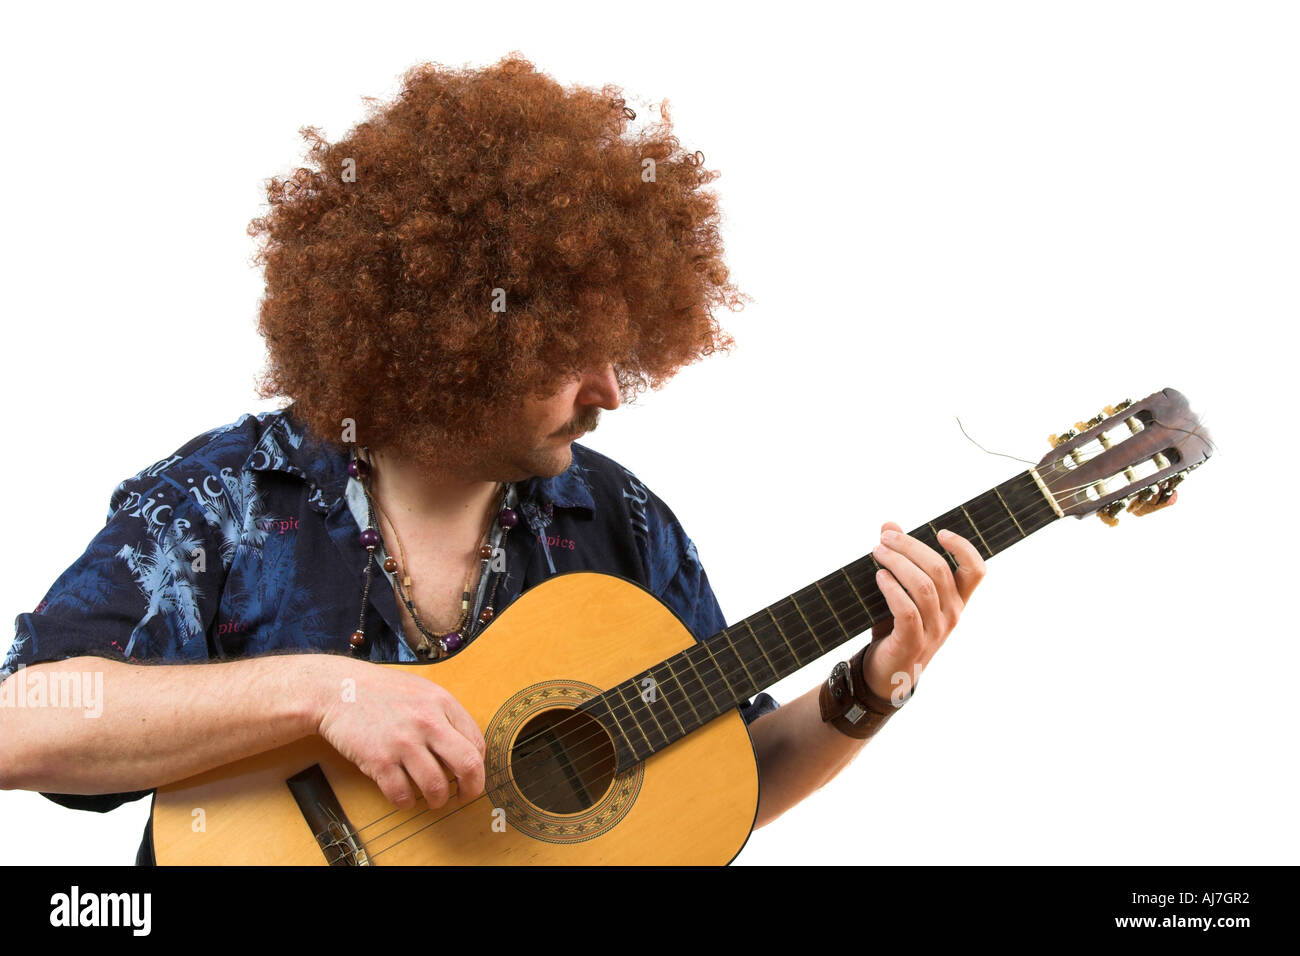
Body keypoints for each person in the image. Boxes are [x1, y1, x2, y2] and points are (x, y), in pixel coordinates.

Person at [0, 53, 987, 864]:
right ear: (452, 342)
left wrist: (877, 679)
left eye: (620, 345)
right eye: (570, 355)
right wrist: (323, 690)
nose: (609, 389)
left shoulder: (615, 519)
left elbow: (723, 773)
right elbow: (22, 723)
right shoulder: (228, 498)